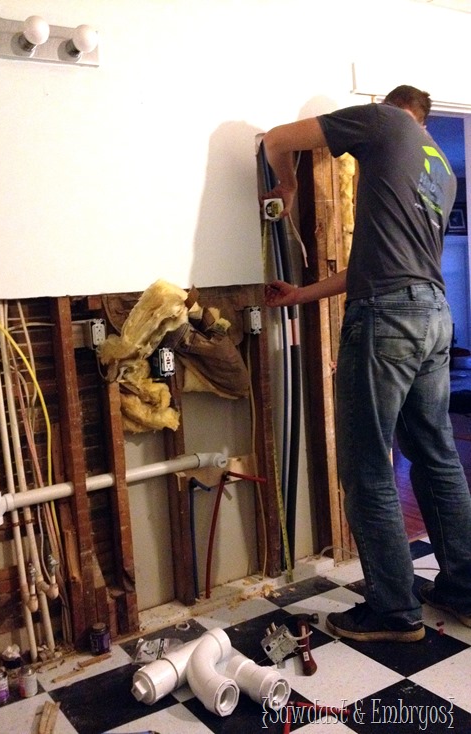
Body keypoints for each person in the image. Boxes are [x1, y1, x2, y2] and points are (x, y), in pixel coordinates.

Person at [262, 85, 471, 642]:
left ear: (389, 108)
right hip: (432, 314)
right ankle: (463, 590)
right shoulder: (441, 169)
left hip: (387, 320)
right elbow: (382, 264)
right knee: (437, 455)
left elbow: (279, 140)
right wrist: (301, 295)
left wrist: (284, 180)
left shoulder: (381, 121)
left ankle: (393, 611)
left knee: (366, 464)